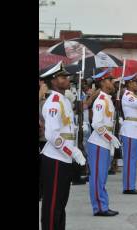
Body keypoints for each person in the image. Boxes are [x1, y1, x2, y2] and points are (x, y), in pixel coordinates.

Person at [39, 62, 86, 230]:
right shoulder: (53, 103)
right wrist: (71, 150)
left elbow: (66, 129)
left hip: (63, 158)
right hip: (55, 158)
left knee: (60, 203)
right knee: (52, 205)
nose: (67, 79)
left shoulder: (64, 100)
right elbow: (52, 135)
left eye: (67, 76)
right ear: (53, 81)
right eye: (62, 77)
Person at [86, 69, 121, 216]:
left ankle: (103, 204)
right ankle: (99, 207)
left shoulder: (107, 99)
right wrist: (110, 137)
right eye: (110, 80)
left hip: (104, 143)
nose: (113, 83)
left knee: (102, 177)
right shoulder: (101, 100)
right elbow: (96, 123)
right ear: (103, 82)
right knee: (97, 177)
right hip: (99, 143)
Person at [119, 74, 137, 194]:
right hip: (130, 131)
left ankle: (130, 185)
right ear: (129, 83)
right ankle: (128, 187)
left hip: (135, 130)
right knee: (130, 160)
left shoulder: (134, 95)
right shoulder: (127, 95)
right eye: (136, 82)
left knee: (133, 160)